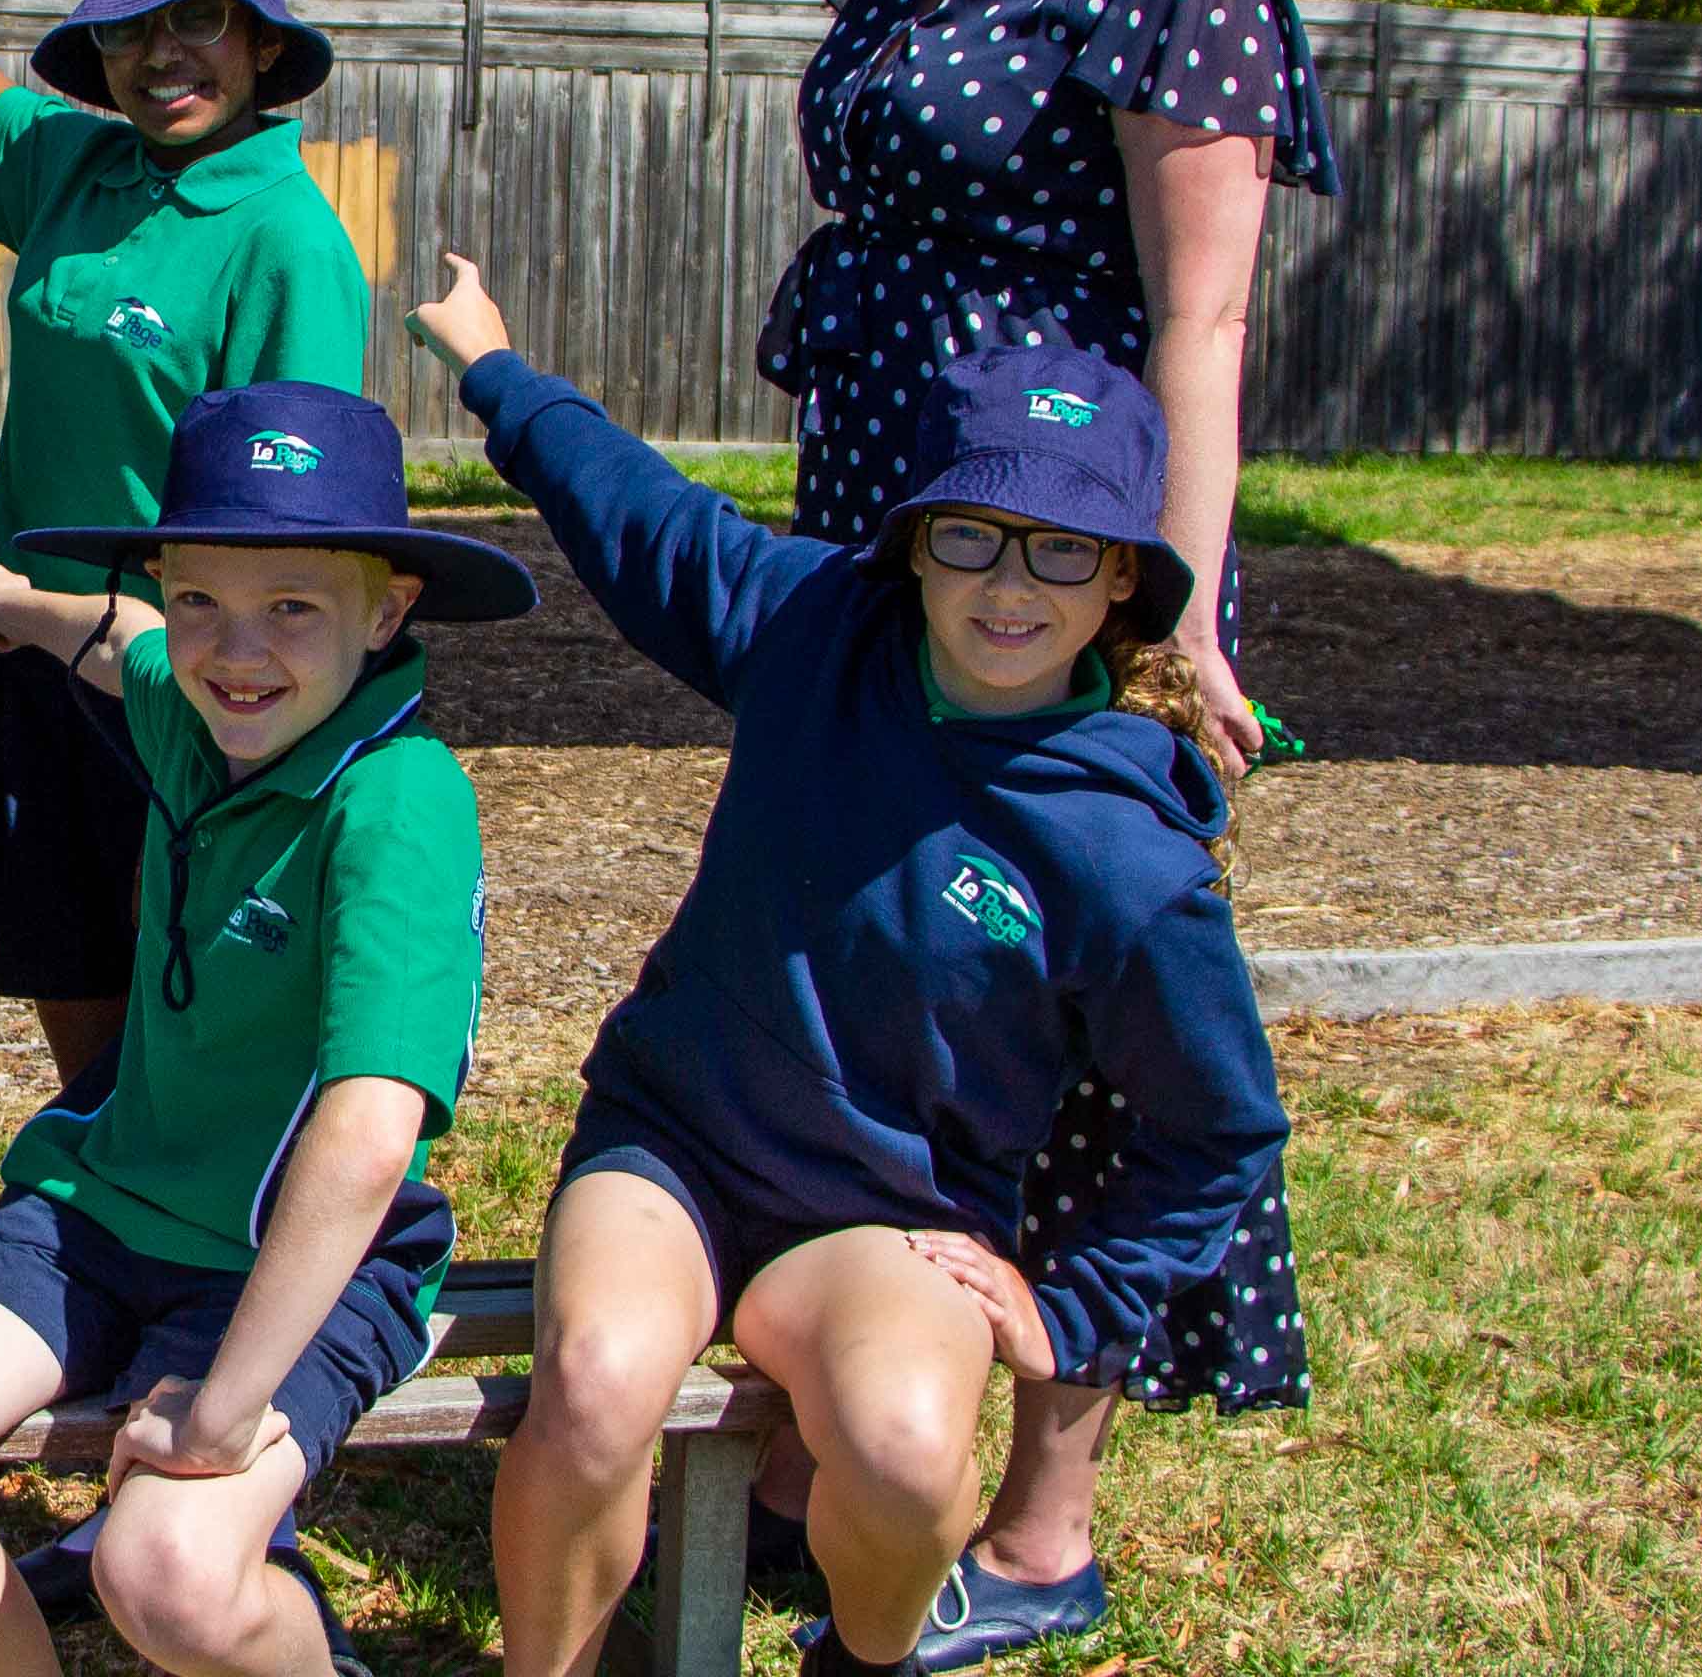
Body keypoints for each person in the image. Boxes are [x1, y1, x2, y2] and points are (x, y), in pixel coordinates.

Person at [609, 0, 1341, 1658]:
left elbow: (1201, 321)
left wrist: (1175, 617)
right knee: (884, 948)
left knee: (1074, 984)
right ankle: (852, 1410)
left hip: (1064, 536)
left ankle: (1039, 1518)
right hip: (887, 520)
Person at [418, 254, 1284, 1677]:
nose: (1010, 584)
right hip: (677, 1149)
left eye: (1062, 550)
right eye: (973, 535)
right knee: (594, 1382)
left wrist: (1072, 1309)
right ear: (917, 541)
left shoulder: (1131, 856)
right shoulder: (819, 625)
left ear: (1126, 576)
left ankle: (861, 1660)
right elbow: (647, 518)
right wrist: (497, 373)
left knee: (904, 1451)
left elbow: (1221, 1127)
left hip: (896, 1214)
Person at [0, 382, 520, 1677]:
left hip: (296, 1258)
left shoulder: (398, 805)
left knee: (168, 1579)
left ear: (388, 611)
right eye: (203, 597)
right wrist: (12, 604)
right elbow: (125, 642)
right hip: (103, 1209)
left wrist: (227, 1409)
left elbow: (371, 1135)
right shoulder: (199, 717)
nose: (235, 650)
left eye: (293, 607)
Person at [0, 0, 375, 1099]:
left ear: (264, 43)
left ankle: (186, 1190)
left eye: (198, 19)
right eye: (126, 28)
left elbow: (299, 516)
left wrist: (230, 688)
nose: (161, 56)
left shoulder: (285, 238)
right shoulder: (73, 166)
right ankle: (96, 1176)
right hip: (30, 645)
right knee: (64, 952)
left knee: (187, 984)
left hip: (180, 676)